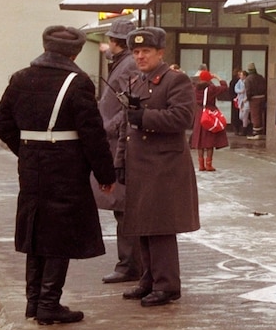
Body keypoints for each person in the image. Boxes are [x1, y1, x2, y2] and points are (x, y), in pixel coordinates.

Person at [0, 25, 116, 326]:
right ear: (74, 52)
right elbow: (92, 133)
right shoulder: (78, 82)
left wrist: (25, 150)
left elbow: (2, 123)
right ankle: (49, 304)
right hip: (66, 166)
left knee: (35, 229)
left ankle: (34, 303)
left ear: (45, 47)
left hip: (31, 165)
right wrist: (105, 173)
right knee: (59, 233)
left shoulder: (20, 78)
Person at [117, 27, 200, 307]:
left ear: (160, 52)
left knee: (161, 226)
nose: (140, 56)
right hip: (140, 164)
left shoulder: (175, 80)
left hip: (165, 165)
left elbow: (183, 117)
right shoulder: (136, 82)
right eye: (136, 52)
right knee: (143, 224)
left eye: (146, 51)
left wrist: (145, 117)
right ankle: (149, 279)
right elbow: (125, 125)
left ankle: (167, 285)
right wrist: (120, 160)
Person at [95, 18, 142, 284]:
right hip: (117, 140)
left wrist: (108, 128)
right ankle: (130, 263)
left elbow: (127, 106)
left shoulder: (127, 65)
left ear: (116, 42)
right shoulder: (125, 63)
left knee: (124, 207)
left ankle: (129, 265)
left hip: (120, 143)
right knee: (122, 207)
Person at [191, 69, 229, 172]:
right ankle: (209, 164)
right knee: (209, 140)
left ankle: (201, 165)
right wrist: (217, 77)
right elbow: (224, 87)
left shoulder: (194, 89)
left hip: (199, 114)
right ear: (209, 79)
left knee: (200, 140)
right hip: (209, 113)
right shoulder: (211, 89)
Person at [244, 62, 268, 140]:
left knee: (255, 116)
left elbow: (248, 90)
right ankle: (262, 131)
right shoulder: (260, 77)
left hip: (254, 99)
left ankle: (256, 133)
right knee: (261, 114)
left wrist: (247, 98)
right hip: (263, 97)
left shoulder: (248, 79)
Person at [235, 70, 251, 136]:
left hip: (246, 100)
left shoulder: (248, 82)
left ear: (245, 76)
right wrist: (240, 91)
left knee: (244, 115)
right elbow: (235, 89)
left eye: (241, 75)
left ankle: (244, 130)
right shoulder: (239, 82)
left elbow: (250, 90)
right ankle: (249, 123)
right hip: (241, 100)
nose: (240, 76)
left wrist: (247, 98)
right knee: (240, 116)